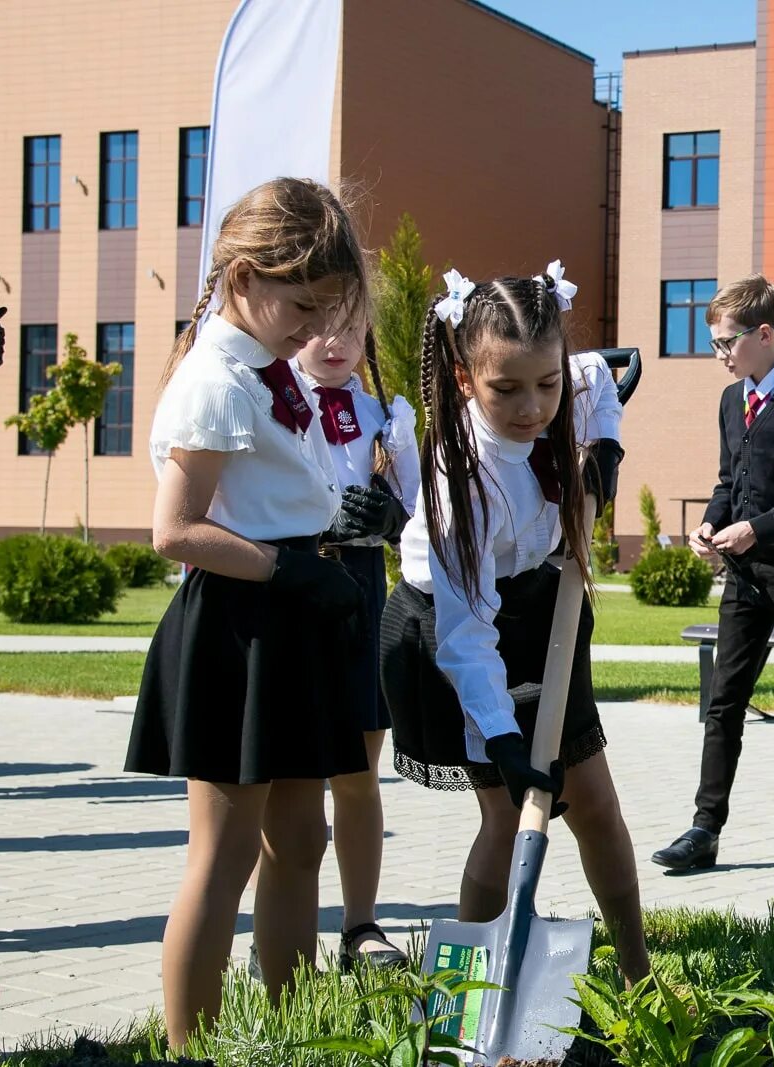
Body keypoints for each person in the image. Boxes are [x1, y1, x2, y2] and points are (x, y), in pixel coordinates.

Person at [124, 177, 369, 1047]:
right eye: (302, 304)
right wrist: (287, 572)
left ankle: (291, 1033)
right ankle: (190, 1046)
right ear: (242, 279)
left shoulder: (267, 368)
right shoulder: (215, 381)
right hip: (241, 627)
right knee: (224, 857)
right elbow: (175, 531)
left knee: (300, 842)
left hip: (292, 616)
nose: (316, 327)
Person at [378, 266, 648, 983]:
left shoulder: (559, 375)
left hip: (542, 606)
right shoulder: (459, 480)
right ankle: (465, 991)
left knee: (593, 798)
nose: (534, 408)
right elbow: (465, 632)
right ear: (465, 378)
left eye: (545, 385)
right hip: (449, 628)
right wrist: (500, 735)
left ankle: (638, 975)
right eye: (507, 389)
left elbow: (595, 373)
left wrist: (606, 445)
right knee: (506, 814)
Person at [652, 275, 774, 878]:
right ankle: (704, 829)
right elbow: (726, 481)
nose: (719, 354)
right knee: (724, 703)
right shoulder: (730, 400)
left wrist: (756, 529)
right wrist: (712, 524)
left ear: (765, 335)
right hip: (742, 574)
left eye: (725, 342)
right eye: (714, 343)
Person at [292, 320, 420, 970]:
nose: (333, 341)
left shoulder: (383, 414)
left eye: (348, 326)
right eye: (316, 325)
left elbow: (418, 509)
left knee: (357, 775)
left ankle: (360, 926)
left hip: (365, 591)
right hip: (299, 588)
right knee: (293, 784)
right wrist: (318, 519)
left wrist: (395, 518)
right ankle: (285, 936)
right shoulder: (276, 400)